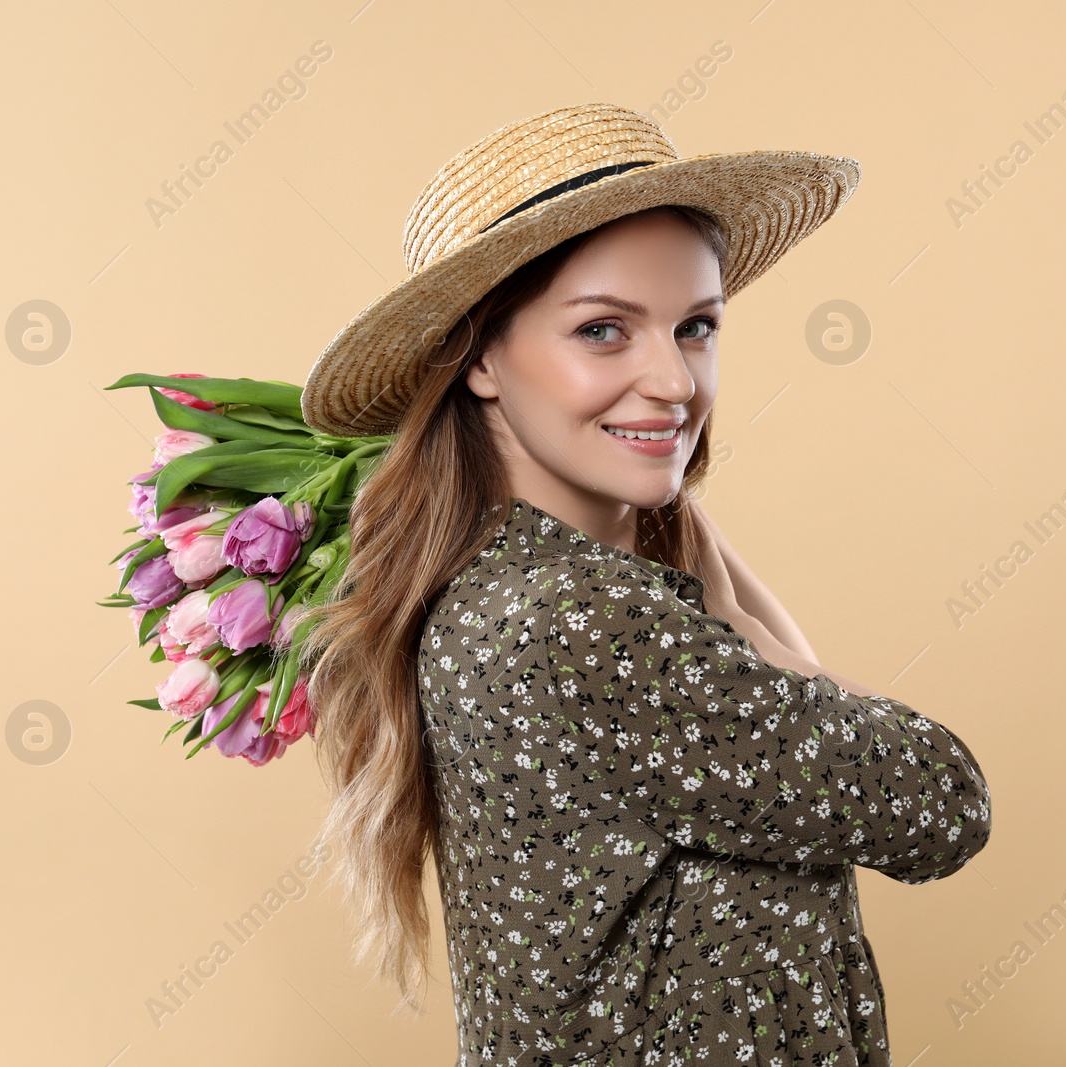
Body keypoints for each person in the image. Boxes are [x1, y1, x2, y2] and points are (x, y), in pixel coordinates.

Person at [295, 103, 992, 1066]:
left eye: (696, 326)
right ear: (482, 357)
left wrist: (697, 555)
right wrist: (748, 628)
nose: (673, 381)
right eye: (604, 332)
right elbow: (939, 802)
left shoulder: (495, 598)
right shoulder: (583, 623)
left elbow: (801, 715)